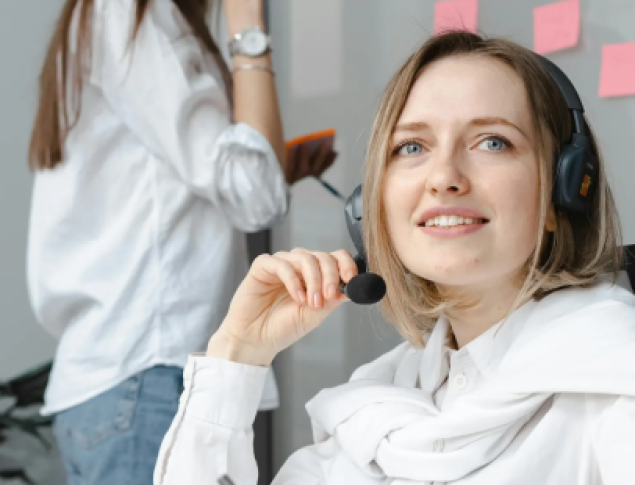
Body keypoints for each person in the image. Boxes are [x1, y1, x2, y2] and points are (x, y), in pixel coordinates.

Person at [153, 30, 635, 484]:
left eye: (492, 142)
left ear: (563, 192)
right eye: (412, 147)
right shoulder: (371, 412)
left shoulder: (613, 380)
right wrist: (238, 352)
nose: (444, 176)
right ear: (373, 205)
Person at [26, 0, 335, 483]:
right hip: (146, 376)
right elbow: (254, 194)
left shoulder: (119, 16)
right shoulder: (128, 13)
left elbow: (214, 184)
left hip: (123, 380)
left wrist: (275, 170)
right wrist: (248, 26)